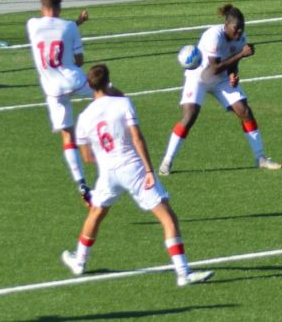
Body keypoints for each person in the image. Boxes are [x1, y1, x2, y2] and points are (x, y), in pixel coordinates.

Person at [61, 64, 214, 287]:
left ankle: (79, 261)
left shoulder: (84, 117)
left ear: (90, 85)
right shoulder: (122, 103)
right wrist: (150, 170)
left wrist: (106, 156)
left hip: (108, 173)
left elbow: (87, 157)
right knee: (168, 218)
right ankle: (183, 273)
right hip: (133, 169)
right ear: (108, 81)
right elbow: (137, 138)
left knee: (96, 213)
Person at [158, 3, 281, 175]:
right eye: (236, 28)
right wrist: (241, 54)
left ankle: (261, 159)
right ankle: (167, 161)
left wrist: (233, 74)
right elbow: (214, 68)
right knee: (190, 115)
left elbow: (232, 61)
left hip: (220, 79)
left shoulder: (241, 38)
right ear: (226, 25)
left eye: (242, 28)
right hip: (199, 77)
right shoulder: (213, 36)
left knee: (244, 111)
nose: (239, 32)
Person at [27, 0, 95, 204]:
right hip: (74, 80)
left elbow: (53, 32)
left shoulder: (32, 25)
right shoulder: (69, 27)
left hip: (52, 89)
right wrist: (77, 24)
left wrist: (76, 24)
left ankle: (81, 183)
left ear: (42, 8)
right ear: (59, 7)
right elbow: (80, 60)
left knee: (67, 136)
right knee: (110, 94)